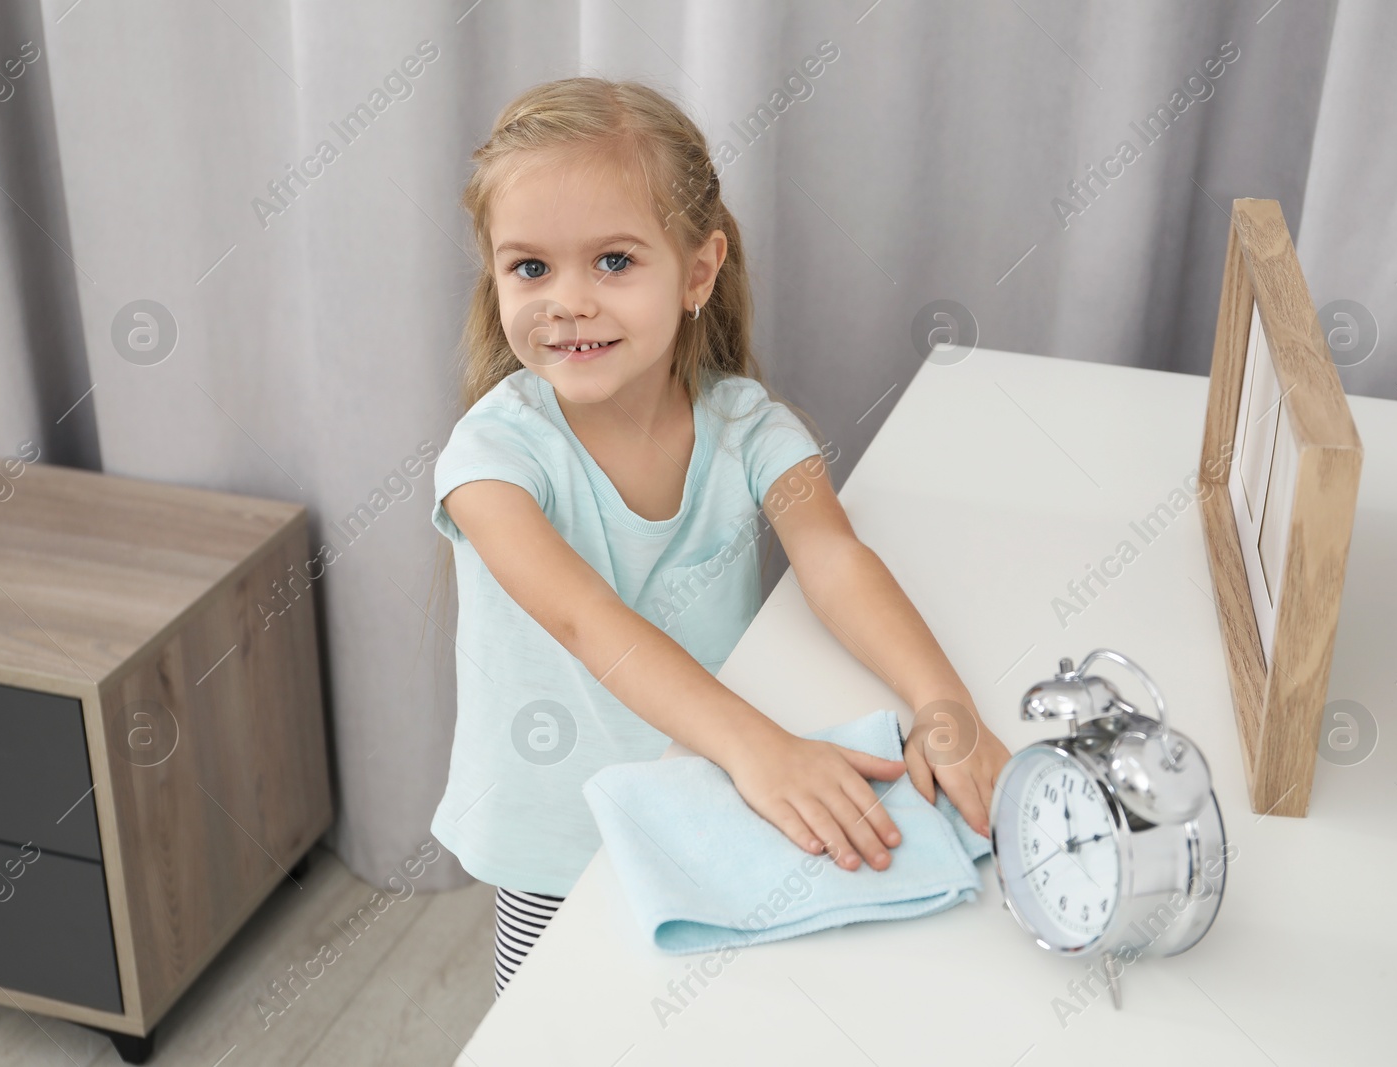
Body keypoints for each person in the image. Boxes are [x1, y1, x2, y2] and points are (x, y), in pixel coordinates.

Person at [427, 76, 1011, 999]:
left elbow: (833, 557)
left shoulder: (747, 425)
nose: (567, 301)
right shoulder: (490, 458)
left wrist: (944, 705)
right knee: (560, 1025)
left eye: (614, 261)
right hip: (557, 836)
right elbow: (586, 622)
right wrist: (760, 747)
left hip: (715, 800)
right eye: (529, 267)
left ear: (698, 270)